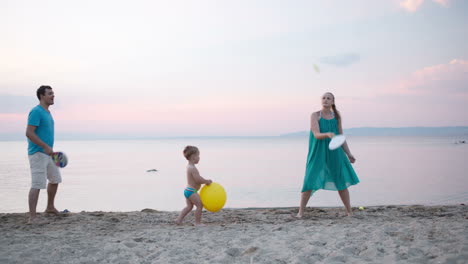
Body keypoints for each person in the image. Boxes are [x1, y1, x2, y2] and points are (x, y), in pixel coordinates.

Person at [296, 92, 359, 218]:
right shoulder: (315, 115)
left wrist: (349, 153)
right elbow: (316, 134)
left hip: (335, 152)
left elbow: (341, 137)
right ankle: (300, 213)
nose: (325, 100)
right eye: (323, 98)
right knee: (309, 179)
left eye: (328, 98)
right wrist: (328, 134)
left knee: (340, 180)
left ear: (333, 101)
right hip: (317, 151)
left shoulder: (337, 116)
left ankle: (349, 212)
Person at [25, 85, 62, 224]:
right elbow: (29, 133)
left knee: (55, 179)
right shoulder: (36, 111)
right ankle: (32, 217)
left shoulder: (47, 112)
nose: (53, 96)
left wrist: (49, 149)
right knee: (37, 184)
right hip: (37, 153)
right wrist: (44, 146)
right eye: (50, 93)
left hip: (49, 153)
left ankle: (50, 207)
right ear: (42, 96)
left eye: (53, 93)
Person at [175, 146, 212, 226]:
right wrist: (206, 181)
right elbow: (198, 179)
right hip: (192, 191)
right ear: (193, 157)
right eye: (198, 156)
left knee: (189, 207)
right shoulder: (193, 168)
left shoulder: (189, 167)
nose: (199, 158)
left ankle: (179, 220)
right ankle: (197, 223)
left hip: (187, 190)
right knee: (200, 205)